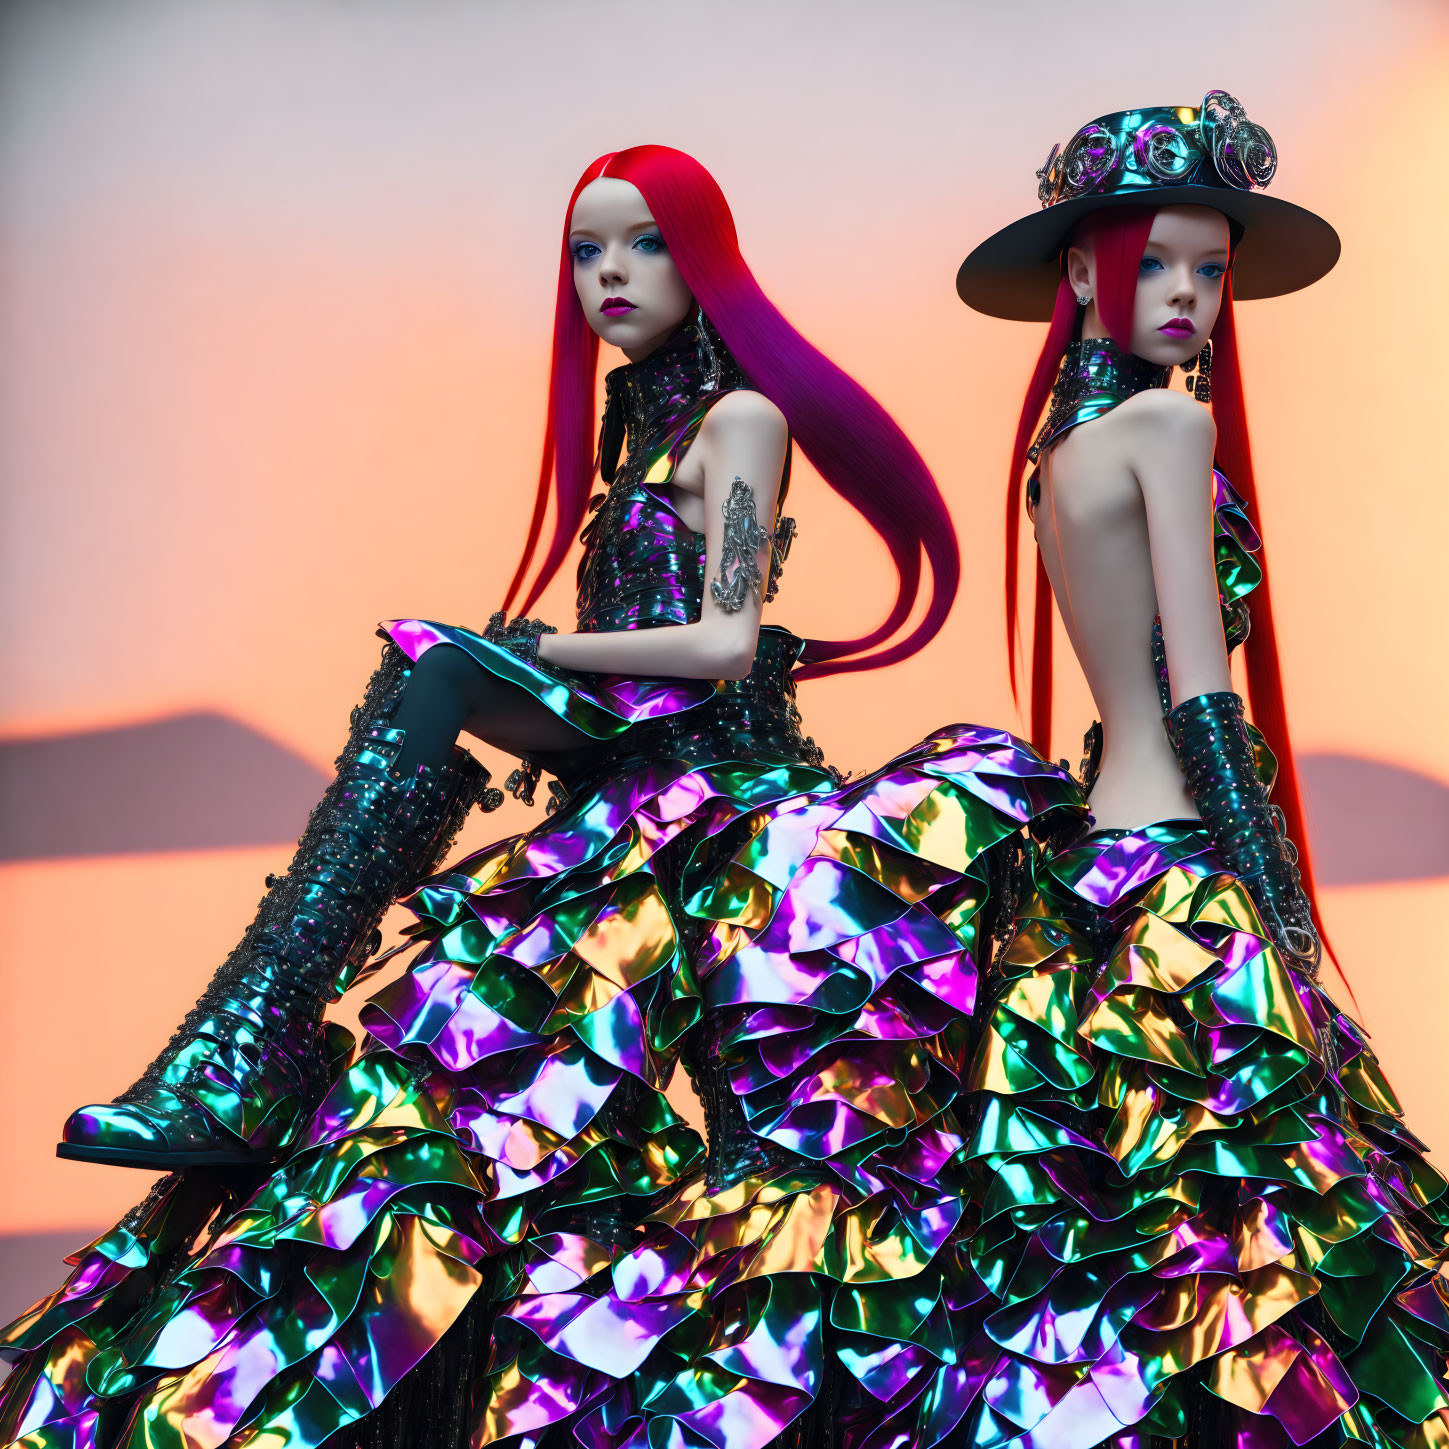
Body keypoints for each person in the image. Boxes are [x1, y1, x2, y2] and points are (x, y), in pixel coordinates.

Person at [0, 146, 1078, 1449]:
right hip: (617, 791)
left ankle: (247, 1045)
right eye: (585, 250)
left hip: (721, 793)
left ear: (705, 260)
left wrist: (529, 647)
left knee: (448, 672)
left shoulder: (738, 421)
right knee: (458, 1055)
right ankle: (252, 1049)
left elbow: (724, 640)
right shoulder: (637, 428)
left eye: (643, 245)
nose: (609, 275)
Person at [953, 94, 1449, 1446]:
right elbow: (1202, 694)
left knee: (1107, 1239)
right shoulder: (1170, 433)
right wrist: (1279, 920)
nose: (1186, 296)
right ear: (1076, 274)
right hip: (1179, 858)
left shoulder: (1056, 457)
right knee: (1265, 1248)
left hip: (1081, 881)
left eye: (1209, 269)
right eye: (1153, 263)